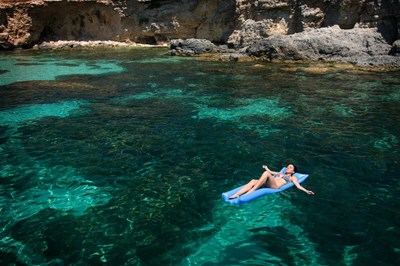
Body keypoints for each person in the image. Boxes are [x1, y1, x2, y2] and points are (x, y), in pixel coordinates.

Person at [229, 164, 314, 199]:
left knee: (266, 174)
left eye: (290, 168)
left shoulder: (293, 178)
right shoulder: (280, 172)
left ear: (293, 172)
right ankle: (237, 194)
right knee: (253, 181)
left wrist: (306, 191)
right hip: (268, 183)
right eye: (287, 166)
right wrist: (266, 168)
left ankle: (251, 191)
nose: (288, 168)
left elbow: (298, 186)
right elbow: (270, 172)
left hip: (275, 186)